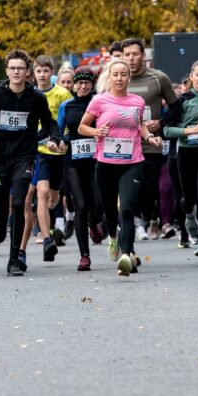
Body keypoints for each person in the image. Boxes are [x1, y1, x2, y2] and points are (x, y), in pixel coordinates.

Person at [0, 49, 62, 276]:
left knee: (19, 203)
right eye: (13, 68)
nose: (16, 72)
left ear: (28, 73)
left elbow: (50, 123)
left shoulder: (36, 97)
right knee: (1, 202)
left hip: (24, 156)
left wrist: (54, 139)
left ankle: (14, 260)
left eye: (21, 68)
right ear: (7, 70)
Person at [79, 58, 162, 275]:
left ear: (128, 77)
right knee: (109, 212)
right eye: (115, 74)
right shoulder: (99, 101)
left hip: (132, 162)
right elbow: (82, 127)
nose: (119, 78)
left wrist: (150, 137)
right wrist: (97, 132)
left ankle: (126, 254)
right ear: (109, 77)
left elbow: (141, 125)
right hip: (105, 164)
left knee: (126, 208)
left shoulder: (137, 101)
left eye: (123, 74)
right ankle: (113, 238)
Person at [121, 38, 180, 241]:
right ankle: (136, 223)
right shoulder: (118, 78)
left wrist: (160, 122)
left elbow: (176, 106)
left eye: (135, 54)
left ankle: (150, 216)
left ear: (143, 56)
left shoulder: (158, 78)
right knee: (130, 187)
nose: (131, 58)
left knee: (151, 188)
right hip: (125, 144)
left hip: (151, 144)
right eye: (127, 54)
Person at [162, 60, 198, 257]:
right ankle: (188, 214)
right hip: (185, 153)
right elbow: (166, 130)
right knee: (188, 199)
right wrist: (190, 130)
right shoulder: (182, 101)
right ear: (191, 76)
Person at [23, 55, 72, 261]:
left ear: (52, 73)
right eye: (38, 71)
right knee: (40, 192)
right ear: (32, 74)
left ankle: (43, 213)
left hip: (58, 153)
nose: (42, 75)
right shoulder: (29, 95)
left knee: (53, 198)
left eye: (45, 71)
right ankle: (46, 239)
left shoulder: (63, 94)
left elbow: (71, 121)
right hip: (38, 151)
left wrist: (63, 140)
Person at [59, 68, 102, 271]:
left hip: (96, 161)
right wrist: (59, 141)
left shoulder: (99, 103)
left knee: (97, 206)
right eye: (79, 83)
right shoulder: (66, 106)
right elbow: (59, 132)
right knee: (81, 206)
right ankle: (84, 255)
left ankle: (94, 224)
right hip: (73, 162)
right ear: (74, 84)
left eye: (86, 83)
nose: (82, 86)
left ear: (92, 84)